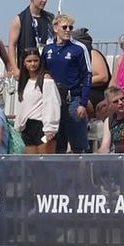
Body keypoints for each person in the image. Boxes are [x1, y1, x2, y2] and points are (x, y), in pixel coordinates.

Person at [44, 15, 92, 154]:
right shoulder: (48, 48)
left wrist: (83, 103)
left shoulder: (79, 48)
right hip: (54, 100)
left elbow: (87, 75)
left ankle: (81, 173)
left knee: (78, 144)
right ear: (55, 28)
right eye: (64, 27)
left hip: (73, 98)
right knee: (57, 142)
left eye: (70, 27)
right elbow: (43, 70)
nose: (68, 30)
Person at [16, 49, 62, 155]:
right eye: (29, 61)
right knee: (31, 165)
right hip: (27, 127)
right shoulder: (24, 81)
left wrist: (50, 128)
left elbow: (52, 104)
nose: (33, 64)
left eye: (35, 60)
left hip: (42, 126)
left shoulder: (46, 79)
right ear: (24, 62)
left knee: (45, 164)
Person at [6, 0, 53, 77]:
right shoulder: (19, 19)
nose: (44, 0)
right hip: (27, 69)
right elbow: (12, 45)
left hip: (45, 68)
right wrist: (15, 69)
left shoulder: (50, 18)